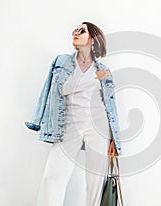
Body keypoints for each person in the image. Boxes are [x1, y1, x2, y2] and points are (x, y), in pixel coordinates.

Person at [25, 21, 122, 206]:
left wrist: (113, 139)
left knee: (95, 183)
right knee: (52, 177)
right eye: (74, 31)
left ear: (92, 39)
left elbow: (110, 105)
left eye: (81, 31)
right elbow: (61, 89)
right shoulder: (61, 62)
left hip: (98, 126)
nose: (75, 33)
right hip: (68, 124)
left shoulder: (103, 70)